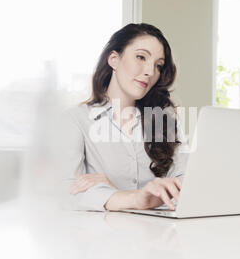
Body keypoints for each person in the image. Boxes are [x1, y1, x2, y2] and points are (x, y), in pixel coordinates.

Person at [61, 23, 188, 212]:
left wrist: (114, 192)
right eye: (141, 57)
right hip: (104, 237)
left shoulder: (164, 121)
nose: (150, 72)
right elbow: (67, 192)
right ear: (114, 59)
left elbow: (187, 185)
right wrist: (135, 198)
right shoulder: (76, 119)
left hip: (159, 235)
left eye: (158, 66)